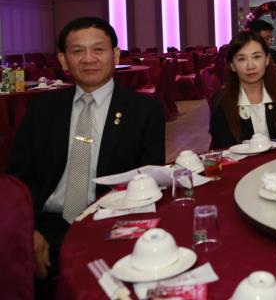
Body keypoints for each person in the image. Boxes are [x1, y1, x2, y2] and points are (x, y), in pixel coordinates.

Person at [9, 17, 165, 288]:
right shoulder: (42, 109)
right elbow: (17, 179)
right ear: (63, 60)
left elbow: (149, 181)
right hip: (47, 225)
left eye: (98, 49)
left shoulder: (144, 111)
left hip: (112, 221)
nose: (88, 59)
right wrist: (27, 230)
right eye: (77, 51)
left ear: (115, 55)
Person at [209, 31, 276, 149]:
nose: (250, 66)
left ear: (266, 60)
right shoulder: (221, 102)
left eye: (256, 57)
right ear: (232, 65)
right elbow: (221, 149)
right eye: (241, 59)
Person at [248, 19, 276, 86]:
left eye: (271, 38)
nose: (270, 42)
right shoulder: (247, 57)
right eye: (267, 38)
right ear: (255, 38)